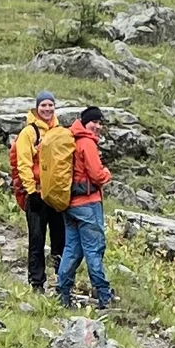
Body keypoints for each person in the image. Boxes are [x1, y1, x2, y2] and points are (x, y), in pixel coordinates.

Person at [9, 92, 71, 293]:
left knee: (59, 238)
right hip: (35, 193)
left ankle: (61, 278)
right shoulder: (29, 132)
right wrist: (30, 191)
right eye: (43, 105)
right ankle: (37, 282)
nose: (47, 109)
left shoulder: (59, 130)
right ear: (37, 108)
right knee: (36, 239)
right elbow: (23, 163)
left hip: (55, 194)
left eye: (50, 105)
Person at [55, 103, 114, 307]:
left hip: (70, 204)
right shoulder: (87, 143)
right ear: (85, 123)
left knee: (72, 249)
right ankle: (104, 294)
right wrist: (107, 173)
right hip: (88, 205)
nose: (97, 126)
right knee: (94, 249)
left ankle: (62, 293)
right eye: (94, 122)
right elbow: (97, 175)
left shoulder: (71, 139)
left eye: (100, 123)